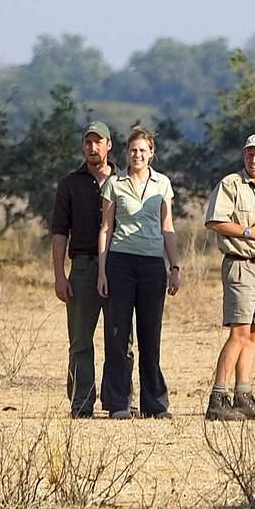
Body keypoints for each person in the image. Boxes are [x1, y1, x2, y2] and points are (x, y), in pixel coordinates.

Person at [98, 126, 181, 419]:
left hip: (151, 265)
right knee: (118, 335)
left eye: (143, 150)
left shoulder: (162, 184)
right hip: (120, 262)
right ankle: (119, 403)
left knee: (150, 335)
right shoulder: (114, 184)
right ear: (126, 152)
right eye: (133, 150)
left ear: (152, 153)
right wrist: (102, 271)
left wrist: (174, 266)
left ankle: (155, 404)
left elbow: (167, 227)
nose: (137, 155)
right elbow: (106, 228)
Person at [203, 132, 255, 422]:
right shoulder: (231, 184)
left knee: (253, 334)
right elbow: (214, 221)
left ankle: (243, 395)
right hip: (241, 264)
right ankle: (218, 397)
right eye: (250, 153)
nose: (254, 159)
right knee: (238, 333)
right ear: (244, 155)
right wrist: (249, 232)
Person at [51, 120, 112, 418]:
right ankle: (81, 402)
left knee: (121, 338)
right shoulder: (70, 184)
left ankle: (120, 401)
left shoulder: (124, 181)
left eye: (98, 141)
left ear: (109, 145)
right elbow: (59, 231)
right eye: (88, 142)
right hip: (83, 267)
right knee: (79, 340)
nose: (92, 147)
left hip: (118, 267)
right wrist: (60, 275)